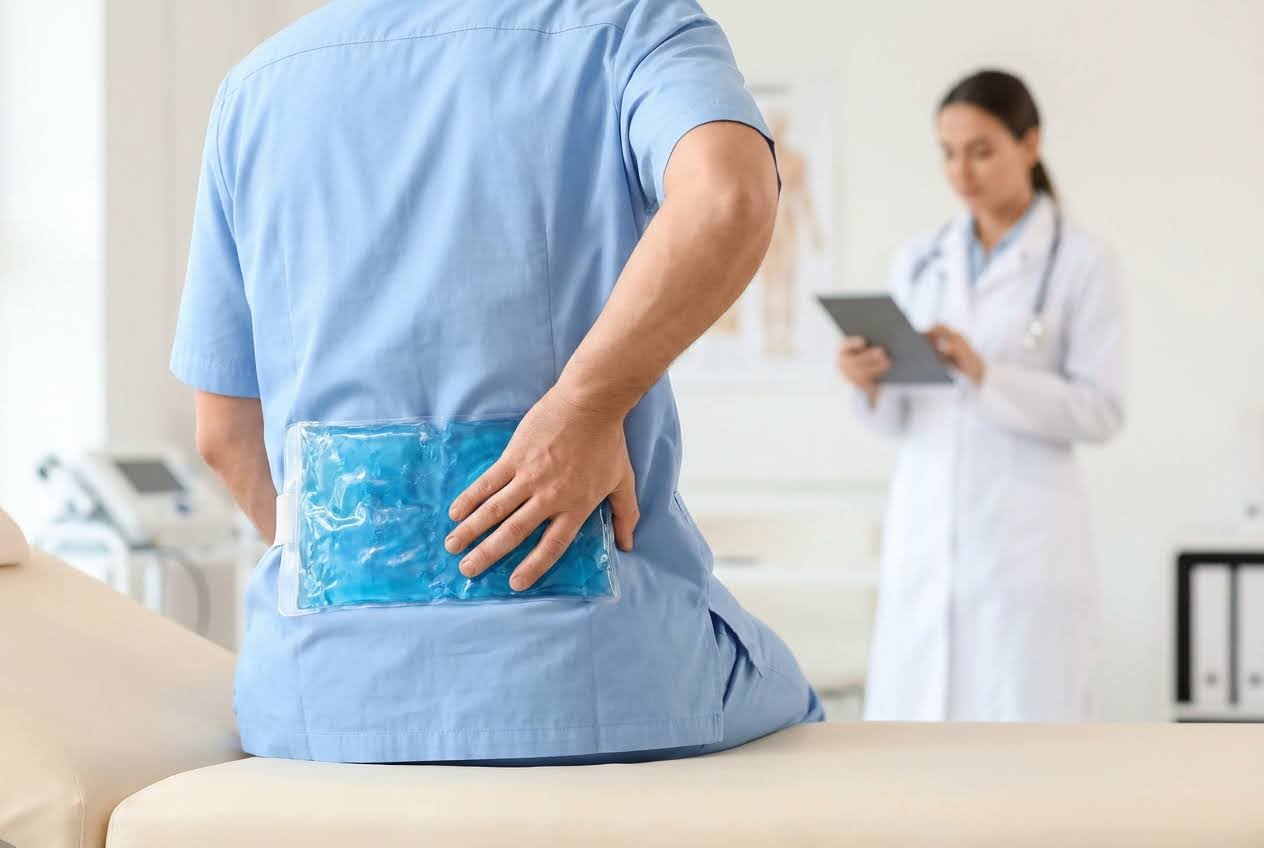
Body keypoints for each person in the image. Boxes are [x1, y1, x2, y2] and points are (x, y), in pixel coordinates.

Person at [171, 0, 822, 764]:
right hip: (589, 685)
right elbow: (729, 197)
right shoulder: (629, 26)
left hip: (318, 704)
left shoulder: (254, 88)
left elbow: (224, 436)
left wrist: (364, 577)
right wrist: (586, 406)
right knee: (798, 706)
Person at [838, 70, 1126, 721]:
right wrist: (869, 381)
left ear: (1030, 144)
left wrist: (986, 375)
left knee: (1023, 738)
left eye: (981, 151)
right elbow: (902, 420)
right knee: (917, 739)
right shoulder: (920, 261)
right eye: (947, 153)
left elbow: (1102, 410)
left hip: (1026, 546)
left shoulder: (1083, 263)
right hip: (926, 532)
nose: (961, 172)